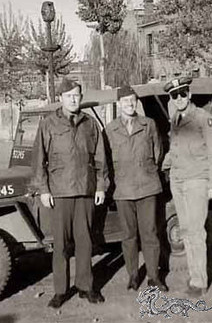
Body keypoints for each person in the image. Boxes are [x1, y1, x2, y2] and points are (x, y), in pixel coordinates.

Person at [32, 78, 107, 309]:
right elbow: (38, 161)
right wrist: (44, 190)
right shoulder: (48, 123)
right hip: (60, 193)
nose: (73, 100)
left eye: (76, 95)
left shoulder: (90, 124)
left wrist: (101, 186)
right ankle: (61, 291)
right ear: (61, 98)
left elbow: (100, 158)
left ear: (80, 98)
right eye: (69, 96)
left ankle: (86, 286)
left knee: (85, 242)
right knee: (61, 245)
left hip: (85, 190)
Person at [162, 76, 212, 298]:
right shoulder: (175, 119)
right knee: (186, 231)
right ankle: (194, 274)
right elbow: (174, 149)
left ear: (189, 94)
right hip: (178, 181)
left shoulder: (203, 119)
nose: (179, 98)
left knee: (196, 232)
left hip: (196, 181)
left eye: (182, 93)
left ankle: (199, 281)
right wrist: (161, 165)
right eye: (173, 95)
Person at [105, 85, 168, 293]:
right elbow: (105, 160)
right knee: (129, 235)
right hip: (123, 190)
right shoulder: (110, 129)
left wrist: (146, 170)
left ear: (136, 102)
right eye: (125, 101)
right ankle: (133, 275)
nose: (129, 104)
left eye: (132, 100)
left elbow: (158, 153)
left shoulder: (148, 124)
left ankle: (154, 276)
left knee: (150, 234)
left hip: (147, 187)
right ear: (118, 104)